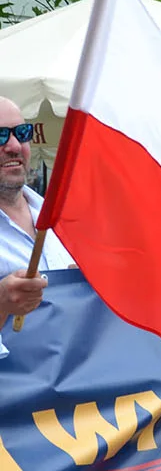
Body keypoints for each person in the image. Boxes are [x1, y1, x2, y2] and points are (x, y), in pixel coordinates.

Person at [0, 100, 73, 348]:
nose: (13, 146)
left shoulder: (61, 218)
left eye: (21, 133)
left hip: (80, 380)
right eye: (0, 135)